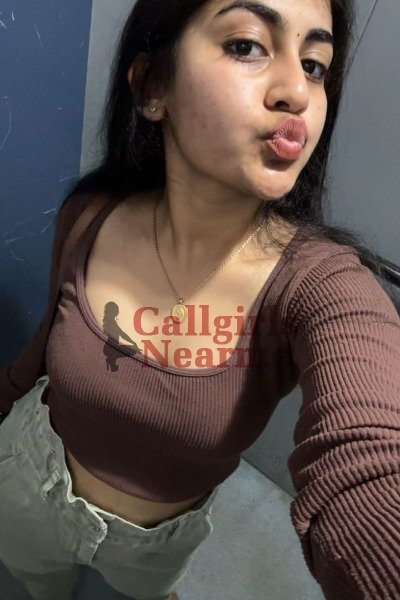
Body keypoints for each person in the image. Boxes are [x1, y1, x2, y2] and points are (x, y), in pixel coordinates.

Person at [0, 0, 399, 599]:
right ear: (153, 87)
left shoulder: (322, 288)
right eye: (246, 45)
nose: (298, 91)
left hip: (155, 544)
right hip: (29, 478)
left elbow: (370, 463)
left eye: (314, 64)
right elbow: (39, 353)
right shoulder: (90, 214)